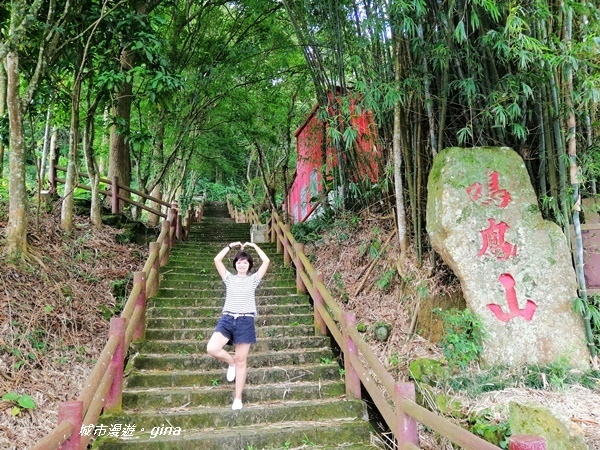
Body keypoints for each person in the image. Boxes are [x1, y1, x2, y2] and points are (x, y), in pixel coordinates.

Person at [206, 241, 270, 410]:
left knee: (242, 360)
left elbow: (267, 261)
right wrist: (230, 246)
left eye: (245, 262)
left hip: (245, 321)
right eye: (239, 262)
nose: (242, 264)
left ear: (249, 265)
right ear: (235, 264)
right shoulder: (229, 278)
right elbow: (217, 260)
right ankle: (231, 363)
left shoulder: (254, 280)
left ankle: (238, 398)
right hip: (227, 319)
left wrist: (254, 247)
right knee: (212, 348)